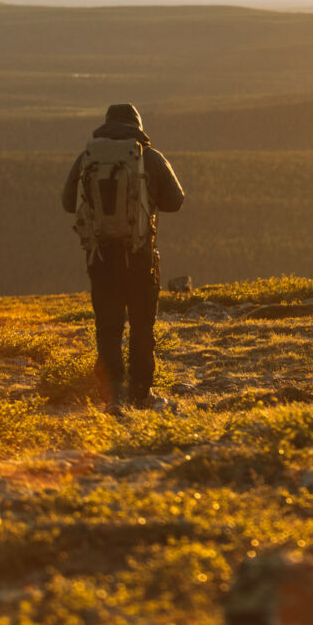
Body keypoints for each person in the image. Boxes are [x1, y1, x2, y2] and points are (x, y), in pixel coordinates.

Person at [62, 103, 184, 415]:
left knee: (108, 327)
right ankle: (141, 394)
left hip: (100, 256)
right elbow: (176, 200)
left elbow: (66, 202)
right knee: (142, 325)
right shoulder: (146, 156)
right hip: (140, 254)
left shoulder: (88, 156)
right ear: (137, 125)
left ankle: (112, 396)